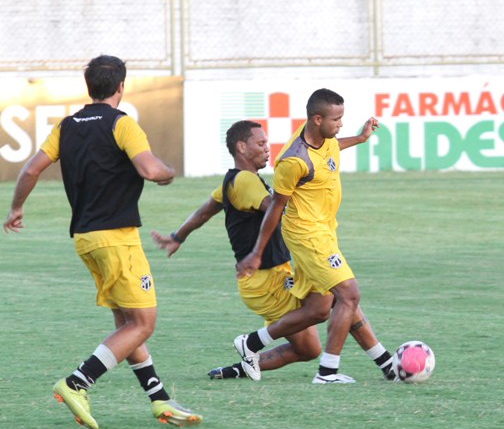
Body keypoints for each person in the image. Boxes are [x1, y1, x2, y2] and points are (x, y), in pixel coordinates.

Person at [3, 55, 203, 429]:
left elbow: (31, 169)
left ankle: (159, 400)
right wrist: (170, 172)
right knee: (143, 323)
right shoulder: (122, 123)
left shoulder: (66, 126)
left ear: (89, 86)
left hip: (85, 238)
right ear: (121, 87)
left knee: (126, 324)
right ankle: (77, 382)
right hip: (117, 239)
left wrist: (16, 209)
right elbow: (150, 169)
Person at [152, 120, 396, 382]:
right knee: (330, 301)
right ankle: (259, 346)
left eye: (267, 143)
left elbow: (203, 212)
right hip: (264, 280)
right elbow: (275, 208)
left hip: (275, 273)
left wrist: (178, 236)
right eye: (260, 144)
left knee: (311, 345)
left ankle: (242, 365)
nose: (267, 149)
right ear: (241, 147)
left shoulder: (237, 180)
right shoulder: (245, 182)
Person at [235, 89, 396, 383]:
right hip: (307, 236)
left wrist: (359, 139)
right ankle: (327, 372)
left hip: (324, 231)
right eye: (336, 119)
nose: (341, 124)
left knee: (319, 309)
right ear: (317, 119)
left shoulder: (325, 138)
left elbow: (331, 151)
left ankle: (252, 343)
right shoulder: (293, 160)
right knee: (349, 294)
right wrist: (257, 252)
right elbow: (276, 210)